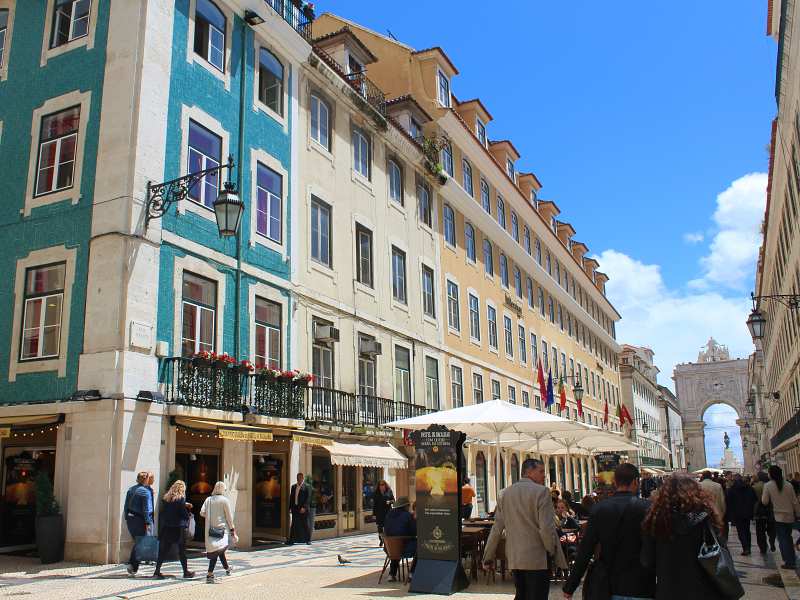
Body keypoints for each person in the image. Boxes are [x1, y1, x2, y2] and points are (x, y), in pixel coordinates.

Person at [563, 463, 655, 600]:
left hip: (608, 584)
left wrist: (571, 586)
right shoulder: (648, 508)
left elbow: (586, 549)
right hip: (641, 584)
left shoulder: (600, 509)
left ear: (615, 482)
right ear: (636, 482)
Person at [484, 458, 564, 600]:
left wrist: (488, 556)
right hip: (538, 557)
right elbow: (546, 528)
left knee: (521, 594)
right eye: (541, 471)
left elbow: (496, 529)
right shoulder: (542, 492)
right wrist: (551, 550)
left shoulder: (504, 493)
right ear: (529, 471)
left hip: (515, 557)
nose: (543, 475)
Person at [641, 474, 726, 600]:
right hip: (704, 589)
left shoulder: (655, 521)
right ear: (696, 493)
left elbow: (647, 561)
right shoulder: (705, 518)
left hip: (669, 590)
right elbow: (720, 553)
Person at [153, 480, 195, 579]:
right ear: (182, 489)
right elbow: (183, 514)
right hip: (178, 528)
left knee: (163, 550)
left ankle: (157, 571)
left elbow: (165, 512)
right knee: (182, 551)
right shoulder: (181, 499)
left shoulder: (166, 499)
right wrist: (188, 513)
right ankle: (186, 572)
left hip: (167, 527)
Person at [762, 465, 800, 569]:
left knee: (783, 539)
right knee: (788, 537)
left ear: (771, 474)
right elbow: (795, 501)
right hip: (789, 516)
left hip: (777, 516)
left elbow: (764, 502)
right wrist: (798, 514)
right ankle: (791, 559)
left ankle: (789, 561)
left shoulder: (768, 485)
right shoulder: (788, 485)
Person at [200, 481, 236, 584]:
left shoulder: (208, 500)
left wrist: (211, 516)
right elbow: (229, 517)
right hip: (222, 531)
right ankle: (210, 574)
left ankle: (227, 569)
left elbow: (202, 512)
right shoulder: (224, 500)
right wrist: (232, 530)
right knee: (217, 551)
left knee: (218, 551)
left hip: (211, 531)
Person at [125, 471, 155, 576]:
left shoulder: (131, 489)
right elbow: (146, 509)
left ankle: (132, 566)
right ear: (146, 479)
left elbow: (125, 506)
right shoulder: (145, 492)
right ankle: (132, 566)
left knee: (137, 542)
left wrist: (126, 518)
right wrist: (147, 522)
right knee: (140, 542)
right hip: (140, 519)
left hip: (130, 518)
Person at [382, 496, 416, 582]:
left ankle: (392, 574)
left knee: (397, 546)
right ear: (406, 506)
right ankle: (412, 573)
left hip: (389, 549)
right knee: (420, 547)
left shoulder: (388, 514)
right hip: (405, 549)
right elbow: (414, 531)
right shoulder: (407, 516)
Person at [752, 470, 777, 553]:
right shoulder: (772, 486)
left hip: (759, 512)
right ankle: (772, 542)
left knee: (760, 531)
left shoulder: (754, 487)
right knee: (772, 529)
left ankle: (763, 548)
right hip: (770, 510)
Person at [699, 470, 726, 537]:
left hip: (703, 516)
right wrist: (722, 514)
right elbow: (722, 501)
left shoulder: (698, 486)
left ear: (702, 476)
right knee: (717, 535)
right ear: (711, 476)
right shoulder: (718, 486)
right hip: (716, 514)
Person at [288, 472, 310, 545]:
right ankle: (291, 540)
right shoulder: (293, 487)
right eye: (298, 478)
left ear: (303, 478)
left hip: (303, 509)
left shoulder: (306, 487)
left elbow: (308, 498)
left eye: (300, 478)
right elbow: (291, 498)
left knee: (305, 524)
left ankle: (308, 540)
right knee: (293, 524)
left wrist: (304, 507)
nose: (299, 479)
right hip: (295, 508)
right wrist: (290, 508)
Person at [371, 480, 394, 546]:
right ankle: (381, 540)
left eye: (383, 485)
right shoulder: (376, 493)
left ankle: (386, 540)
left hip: (388, 513)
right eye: (380, 485)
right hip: (379, 513)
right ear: (378, 486)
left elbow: (393, 500)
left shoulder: (389, 491)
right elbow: (374, 505)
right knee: (380, 528)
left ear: (385, 485)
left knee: (387, 527)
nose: (382, 486)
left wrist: (389, 502)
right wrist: (374, 514)